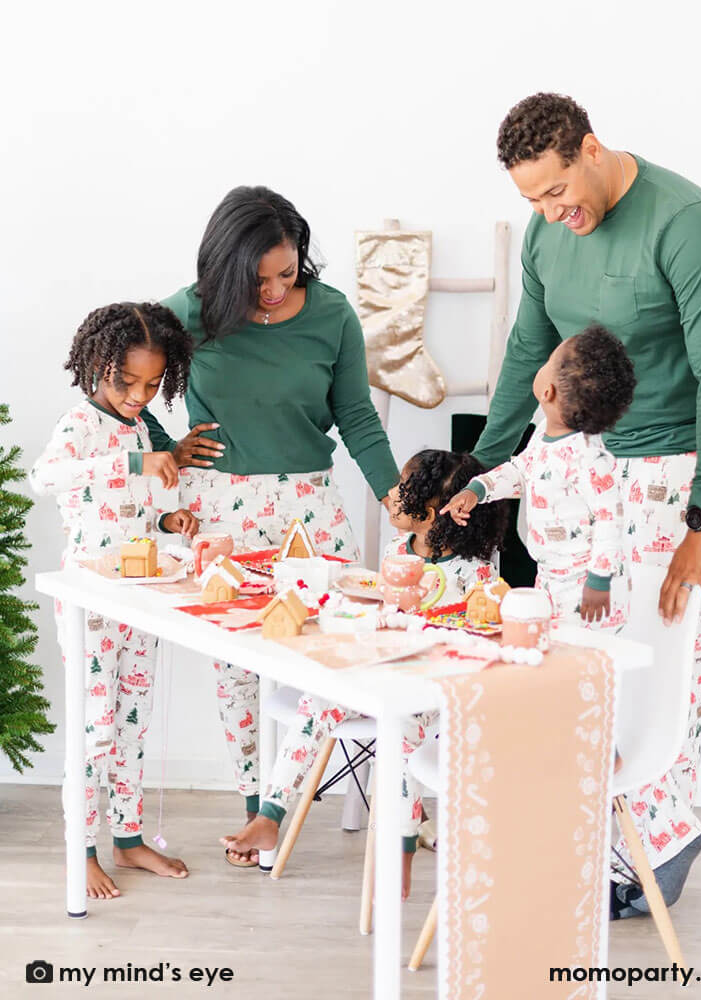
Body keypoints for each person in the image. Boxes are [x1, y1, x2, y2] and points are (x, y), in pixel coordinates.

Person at [472, 92, 701, 916]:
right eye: (531, 201)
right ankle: (607, 839)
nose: (550, 213)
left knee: (664, 643)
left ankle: (659, 842)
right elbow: (529, 348)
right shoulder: (544, 235)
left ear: (591, 150)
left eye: (557, 192)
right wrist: (483, 473)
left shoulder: (686, 222)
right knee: (589, 643)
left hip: (685, 454)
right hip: (597, 457)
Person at [140, 186, 399, 865]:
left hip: (308, 507)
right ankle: (255, 810)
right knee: (234, 668)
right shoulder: (185, 313)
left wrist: (397, 498)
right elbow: (117, 385)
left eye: (288, 273)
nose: (278, 290)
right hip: (219, 507)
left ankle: (279, 806)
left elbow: (359, 419)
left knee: (331, 654)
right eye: (260, 280)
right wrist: (162, 447)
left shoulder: (334, 315)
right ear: (224, 271)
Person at [220, 449, 509, 898]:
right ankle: (269, 816)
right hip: (377, 672)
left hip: (428, 690)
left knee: (397, 740)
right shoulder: (399, 550)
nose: (390, 494)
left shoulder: (475, 570)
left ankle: (402, 854)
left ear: (429, 511)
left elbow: (485, 632)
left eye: (401, 487)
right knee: (314, 703)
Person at [30, 302, 199, 899]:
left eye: (153, 385)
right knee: (94, 728)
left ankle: (127, 841)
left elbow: (134, 510)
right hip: (90, 599)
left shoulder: (140, 428)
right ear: (98, 365)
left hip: (140, 595)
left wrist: (171, 519)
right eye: (127, 382)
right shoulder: (81, 423)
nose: (139, 395)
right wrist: (132, 459)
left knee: (131, 721)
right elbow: (45, 477)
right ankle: (83, 848)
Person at [443, 324, 636, 631]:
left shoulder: (589, 456)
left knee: (580, 657)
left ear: (547, 391)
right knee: (551, 648)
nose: (541, 364)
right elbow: (522, 471)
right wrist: (479, 489)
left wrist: (600, 577)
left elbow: (610, 516)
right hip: (549, 575)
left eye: (547, 362)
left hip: (587, 583)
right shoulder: (544, 437)